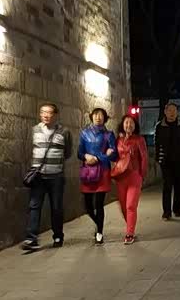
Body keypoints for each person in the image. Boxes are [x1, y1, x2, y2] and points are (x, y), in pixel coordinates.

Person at [21, 103, 72, 251]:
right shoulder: (34, 130)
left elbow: (67, 152)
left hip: (56, 176)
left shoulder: (64, 132)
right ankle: (31, 239)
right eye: (43, 112)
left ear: (55, 115)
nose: (46, 115)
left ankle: (58, 236)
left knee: (56, 207)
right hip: (38, 176)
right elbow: (29, 149)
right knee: (34, 206)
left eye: (49, 112)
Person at [77, 108, 117, 244]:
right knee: (87, 206)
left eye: (101, 115)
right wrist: (85, 156)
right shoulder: (84, 133)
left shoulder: (109, 135)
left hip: (103, 171)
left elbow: (114, 155)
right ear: (91, 117)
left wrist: (99, 158)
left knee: (99, 204)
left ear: (105, 118)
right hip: (88, 172)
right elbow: (79, 153)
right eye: (95, 115)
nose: (98, 117)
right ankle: (97, 222)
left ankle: (100, 232)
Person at [113, 113, 148, 244]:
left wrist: (142, 175)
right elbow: (114, 156)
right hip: (121, 176)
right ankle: (130, 225)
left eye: (131, 123)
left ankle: (129, 233)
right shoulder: (118, 140)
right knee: (123, 206)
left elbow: (144, 158)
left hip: (134, 175)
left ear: (135, 125)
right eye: (126, 122)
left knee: (130, 205)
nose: (129, 125)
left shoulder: (139, 140)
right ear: (122, 125)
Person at [155, 102, 180, 220]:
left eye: (174, 110)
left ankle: (176, 208)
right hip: (166, 162)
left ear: (177, 112)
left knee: (179, 186)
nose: (172, 113)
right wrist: (158, 158)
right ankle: (166, 212)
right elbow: (156, 143)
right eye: (169, 110)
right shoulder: (160, 126)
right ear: (165, 112)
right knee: (167, 186)